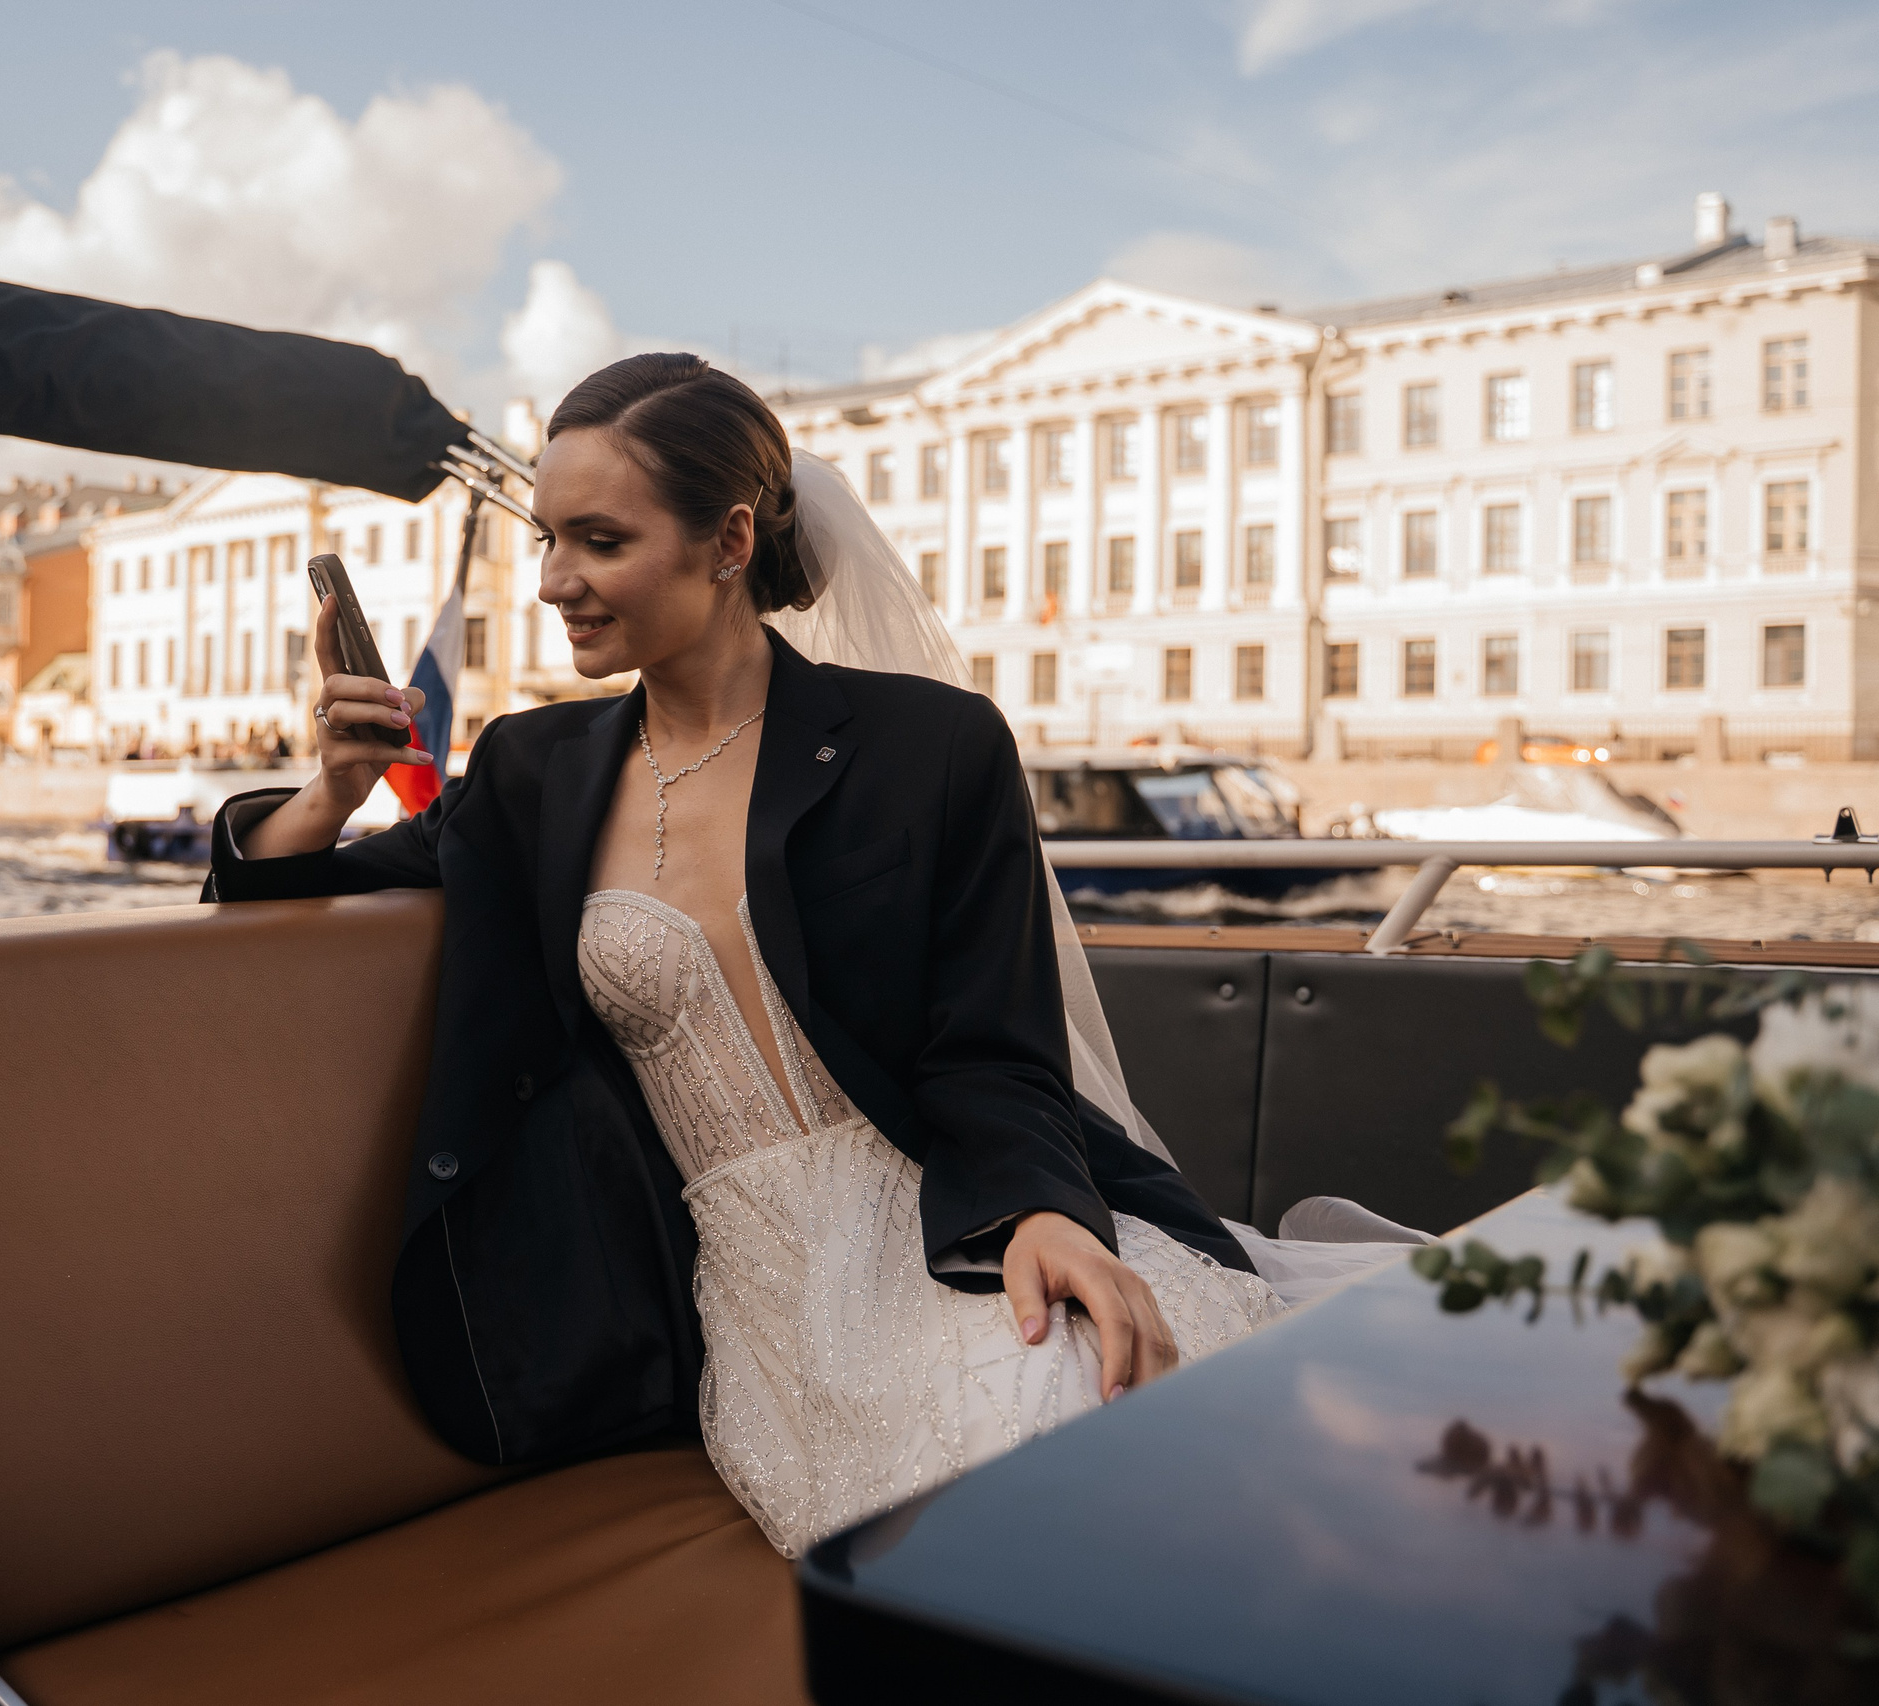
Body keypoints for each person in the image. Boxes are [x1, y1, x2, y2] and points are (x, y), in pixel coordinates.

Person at [206, 354, 1386, 1558]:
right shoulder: (529, 769)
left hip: (972, 1206)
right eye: (548, 539)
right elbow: (287, 888)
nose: (555, 579)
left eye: (600, 541)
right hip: (759, 1285)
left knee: (1103, 1423)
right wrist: (332, 790)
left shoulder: (932, 743)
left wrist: (1040, 1209)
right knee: (998, 1517)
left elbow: (994, 1041)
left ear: (727, 541)